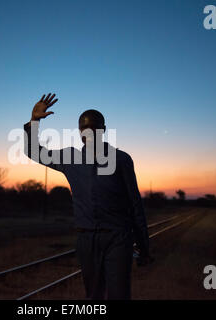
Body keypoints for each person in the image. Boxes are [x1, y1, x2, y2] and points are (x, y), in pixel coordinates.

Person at [23, 93, 152, 300]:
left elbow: (135, 204)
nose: (89, 134)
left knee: (119, 295)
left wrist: (143, 247)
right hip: (86, 239)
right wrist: (34, 121)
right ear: (80, 133)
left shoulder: (121, 159)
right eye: (84, 130)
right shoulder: (70, 157)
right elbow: (33, 152)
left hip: (118, 238)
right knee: (93, 297)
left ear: (103, 131)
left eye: (93, 129)